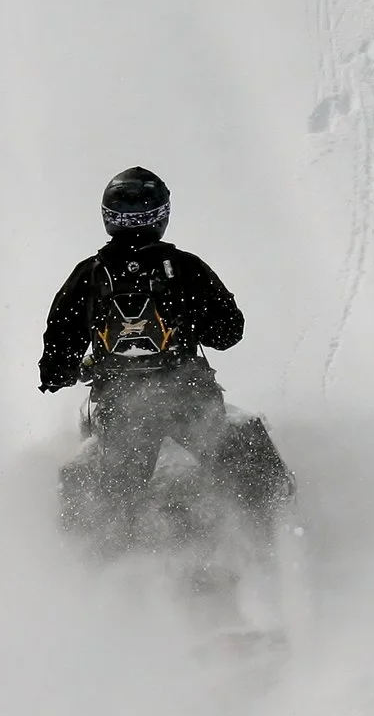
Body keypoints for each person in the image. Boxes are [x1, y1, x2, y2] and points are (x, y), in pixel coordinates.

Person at [40, 167, 287, 545]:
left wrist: (66, 371)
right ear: (162, 215)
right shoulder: (186, 267)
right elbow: (228, 333)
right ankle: (274, 546)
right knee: (249, 464)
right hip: (190, 399)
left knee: (101, 500)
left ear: (108, 217)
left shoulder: (88, 275)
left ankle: (99, 564)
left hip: (120, 410)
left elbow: (56, 360)